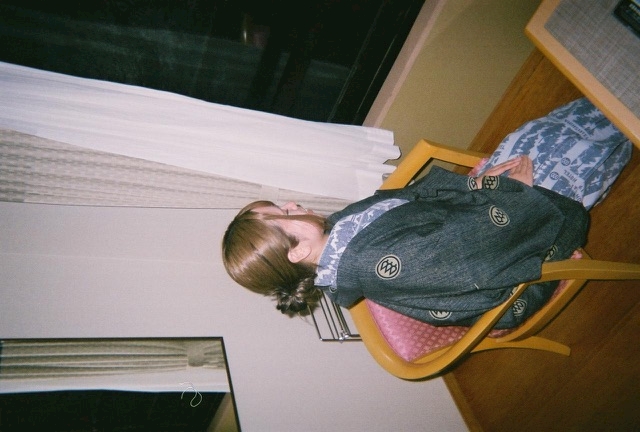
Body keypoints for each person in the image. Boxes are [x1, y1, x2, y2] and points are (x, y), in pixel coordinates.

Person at [222, 98, 632, 329]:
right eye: (284, 212)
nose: (293, 204)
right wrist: (513, 193)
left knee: (531, 136)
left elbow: (417, 203)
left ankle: (616, 99)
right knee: (564, 148)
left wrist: (480, 183)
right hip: (515, 241)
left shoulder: (341, 233)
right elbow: (474, 256)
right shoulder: (370, 261)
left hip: (484, 216)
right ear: (295, 252)